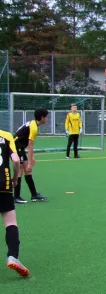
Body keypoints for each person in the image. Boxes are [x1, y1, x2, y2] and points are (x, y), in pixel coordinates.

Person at [0, 129, 30, 277]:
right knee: (10, 223)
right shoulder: (5, 136)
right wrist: (15, 178)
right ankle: (13, 256)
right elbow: (16, 160)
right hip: (3, 185)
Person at [13, 108, 48, 203]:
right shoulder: (34, 127)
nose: (47, 119)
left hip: (20, 147)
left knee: (27, 171)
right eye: (46, 117)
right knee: (20, 170)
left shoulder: (33, 123)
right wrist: (30, 162)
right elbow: (30, 145)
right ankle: (16, 197)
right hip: (16, 146)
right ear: (42, 118)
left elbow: (29, 146)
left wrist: (32, 158)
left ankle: (34, 195)